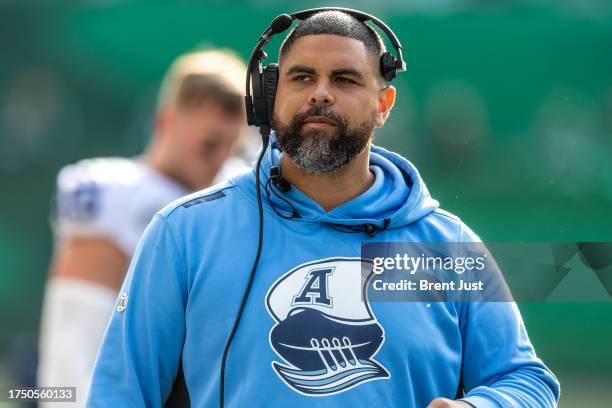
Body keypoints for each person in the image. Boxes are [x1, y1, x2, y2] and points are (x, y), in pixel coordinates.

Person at [86, 10, 560, 408]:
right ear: (270, 99)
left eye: (345, 79)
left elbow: (526, 381)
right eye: (302, 77)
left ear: (383, 103)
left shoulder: (448, 245)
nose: (321, 93)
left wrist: (483, 406)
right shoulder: (185, 233)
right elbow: (120, 392)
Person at [37, 49, 253, 407]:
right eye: (209, 144)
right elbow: (73, 345)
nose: (219, 162)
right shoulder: (112, 193)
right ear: (165, 121)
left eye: (231, 149)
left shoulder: (230, 203)